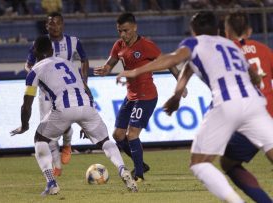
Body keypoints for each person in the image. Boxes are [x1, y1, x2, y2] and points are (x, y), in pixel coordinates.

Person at [116, 11, 273, 202]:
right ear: (218, 29)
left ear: (193, 31)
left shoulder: (194, 43)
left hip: (226, 103)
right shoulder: (230, 46)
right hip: (256, 104)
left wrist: (135, 71)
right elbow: (254, 76)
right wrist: (176, 94)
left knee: (199, 163)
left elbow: (172, 59)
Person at [11, 35, 138, 195]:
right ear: (52, 49)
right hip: (86, 106)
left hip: (63, 109)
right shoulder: (69, 64)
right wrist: (86, 120)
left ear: (35, 52)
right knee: (105, 141)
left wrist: (25, 125)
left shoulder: (34, 70)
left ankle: (51, 182)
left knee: (40, 139)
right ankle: (121, 168)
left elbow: (27, 104)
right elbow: (86, 89)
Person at [94, 12, 182, 182]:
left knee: (132, 134)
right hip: (131, 96)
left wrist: (180, 83)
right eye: (119, 31)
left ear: (134, 27)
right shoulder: (118, 45)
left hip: (146, 96)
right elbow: (110, 63)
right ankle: (141, 163)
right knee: (118, 135)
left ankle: (139, 174)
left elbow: (169, 63)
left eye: (126, 30)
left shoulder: (147, 45)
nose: (123, 35)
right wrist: (105, 69)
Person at [24, 12, 90, 176]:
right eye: (51, 24)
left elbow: (84, 60)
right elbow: (28, 65)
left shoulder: (73, 41)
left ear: (63, 25)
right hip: (46, 95)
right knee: (48, 130)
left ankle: (67, 144)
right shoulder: (40, 43)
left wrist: (84, 81)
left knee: (66, 126)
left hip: (68, 92)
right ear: (46, 26)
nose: (54, 26)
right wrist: (37, 77)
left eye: (57, 23)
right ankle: (57, 165)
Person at [219, 11, 273, 203]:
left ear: (226, 31)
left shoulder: (225, 53)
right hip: (270, 115)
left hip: (249, 121)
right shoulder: (265, 49)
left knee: (228, 164)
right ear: (249, 30)